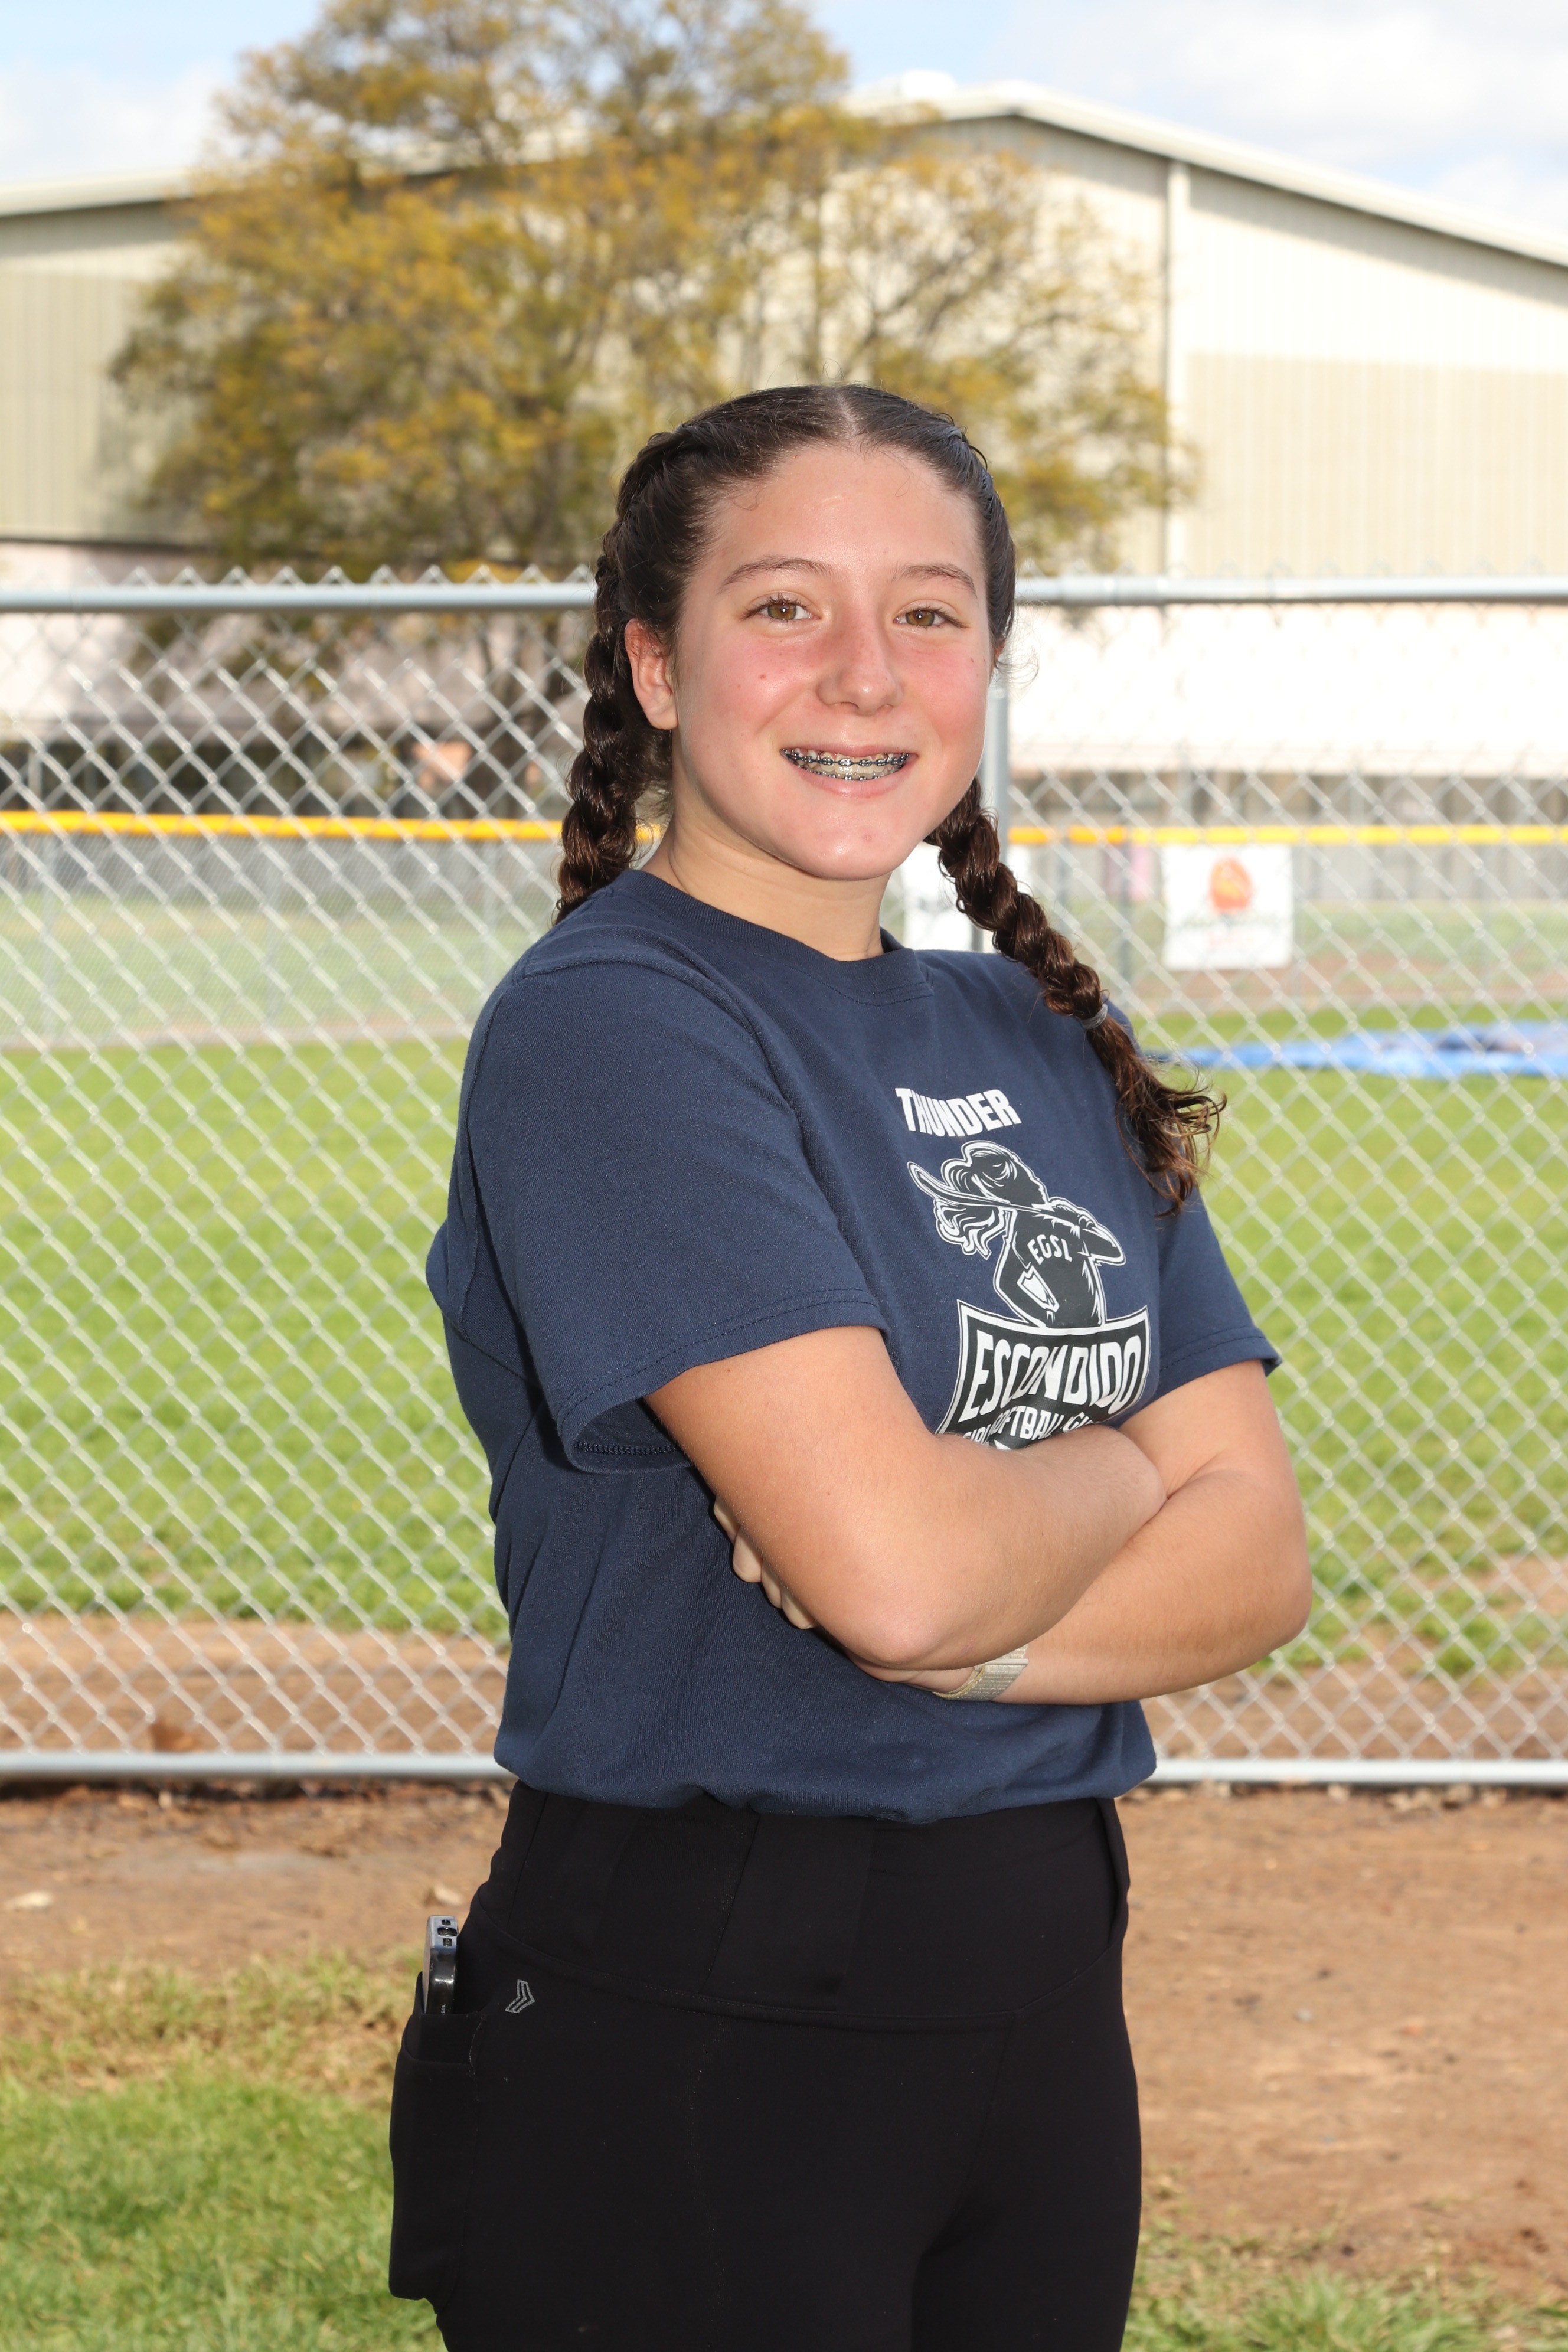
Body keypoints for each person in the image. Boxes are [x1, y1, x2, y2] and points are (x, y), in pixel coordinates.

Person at [389, 384, 1310, 2352]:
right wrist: (1120, 1470)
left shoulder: (1037, 1031)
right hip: (709, 2007)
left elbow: (1259, 1561)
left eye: (931, 614)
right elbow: (895, 1570)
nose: (866, 673)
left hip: (1043, 1980)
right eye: (786, 607)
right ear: (656, 664)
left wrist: (975, 1617)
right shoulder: (617, 1024)